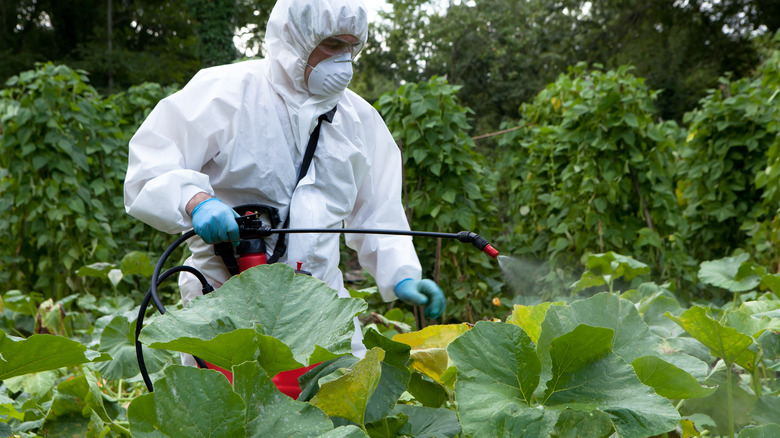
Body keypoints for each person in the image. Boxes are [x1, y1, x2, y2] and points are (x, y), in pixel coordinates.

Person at [123, 0, 444, 368]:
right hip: (228, 301)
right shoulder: (228, 92)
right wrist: (196, 201)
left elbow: (378, 211)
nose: (344, 63)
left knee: (338, 415)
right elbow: (151, 161)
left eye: (351, 48)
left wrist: (401, 273)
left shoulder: (358, 121)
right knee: (235, 416)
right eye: (333, 46)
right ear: (296, 39)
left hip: (320, 306)